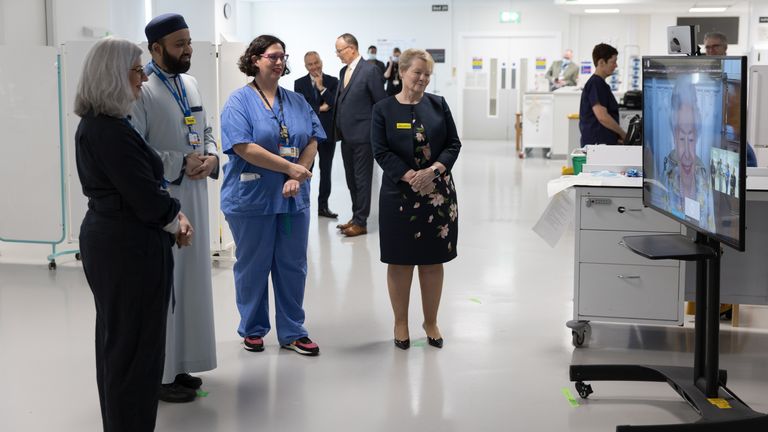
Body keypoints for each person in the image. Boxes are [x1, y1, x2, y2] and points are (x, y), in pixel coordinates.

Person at [74, 37, 193, 431]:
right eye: (137, 70)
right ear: (113, 75)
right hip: (129, 248)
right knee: (135, 353)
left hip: (114, 241)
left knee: (119, 345)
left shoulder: (99, 126)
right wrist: (177, 219)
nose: (143, 79)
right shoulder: (111, 131)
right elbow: (145, 197)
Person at [130, 12, 218, 404]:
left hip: (197, 196)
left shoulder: (191, 83)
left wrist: (212, 157)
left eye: (189, 42)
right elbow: (135, 150)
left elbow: (206, 129)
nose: (188, 50)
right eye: (179, 44)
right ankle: (159, 373)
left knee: (191, 285)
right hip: (163, 199)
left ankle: (181, 364)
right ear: (156, 49)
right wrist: (179, 162)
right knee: (165, 288)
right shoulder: (141, 90)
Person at [220, 35, 323, 356]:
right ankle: (253, 329)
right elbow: (243, 146)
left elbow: (312, 139)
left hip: (292, 199)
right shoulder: (239, 102)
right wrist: (288, 169)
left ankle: (293, 330)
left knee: (293, 264)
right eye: (272, 56)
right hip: (252, 199)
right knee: (253, 265)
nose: (279, 62)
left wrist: (300, 172)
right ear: (255, 60)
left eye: (283, 57)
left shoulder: (296, 101)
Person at [371, 49, 461, 350]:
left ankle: (430, 320)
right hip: (400, 194)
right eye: (416, 73)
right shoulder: (383, 109)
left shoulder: (438, 105)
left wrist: (434, 171)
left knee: (433, 261)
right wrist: (411, 176)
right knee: (400, 261)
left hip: (437, 194)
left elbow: (453, 143)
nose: (422, 79)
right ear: (402, 72)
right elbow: (381, 151)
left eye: (427, 75)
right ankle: (400, 322)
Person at [333, 33, 387, 237]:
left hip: (364, 136)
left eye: (340, 50)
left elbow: (380, 104)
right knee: (351, 179)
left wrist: (377, 133)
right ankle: (356, 216)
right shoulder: (343, 71)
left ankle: (361, 222)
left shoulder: (370, 71)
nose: (337, 55)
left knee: (362, 180)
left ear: (352, 49)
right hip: (346, 137)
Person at [662, 76, 715, 231]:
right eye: (680, 138)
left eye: (691, 139)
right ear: (673, 135)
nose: (686, 153)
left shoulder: (703, 178)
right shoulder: (667, 174)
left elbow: (709, 226)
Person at [294, 51, 340, 219]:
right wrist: (321, 107)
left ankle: (323, 207)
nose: (314, 67)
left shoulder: (333, 81)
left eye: (316, 63)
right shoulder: (299, 83)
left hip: (328, 133)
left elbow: (335, 103)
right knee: (305, 170)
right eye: (310, 64)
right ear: (306, 66)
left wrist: (321, 88)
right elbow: (301, 108)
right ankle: (302, 204)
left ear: (321, 62)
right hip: (308, 136)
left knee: (326, 171)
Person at [579, 43, 626, 146]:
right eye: (613, 62)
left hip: (603, 142)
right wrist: (623, 134)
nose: (616, 65)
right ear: (601, 62)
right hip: (598, 144)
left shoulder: (601, 84)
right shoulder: (596, 84)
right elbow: (602, 116)